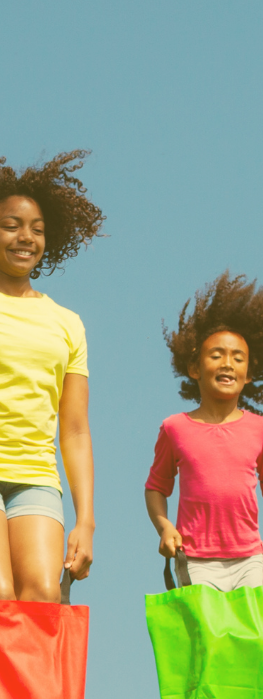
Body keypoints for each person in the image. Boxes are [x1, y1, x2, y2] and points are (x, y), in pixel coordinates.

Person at [144, 272, 263, 591]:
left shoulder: (260, 428)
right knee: (206, 627)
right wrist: (164, 528)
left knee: (248, 626)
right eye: (216, 356)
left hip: (250, 559)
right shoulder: (174, 428)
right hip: (194, 558)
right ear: (194, 369)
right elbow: (156, 487)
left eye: (237, 358)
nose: (227, 363)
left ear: (249, 374)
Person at [0, 151, 103, 601]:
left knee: (43, 595)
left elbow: (75, 429)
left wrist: (86, 521)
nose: (25, 237)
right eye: (11, 225)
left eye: (37, 229)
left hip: (36, 476)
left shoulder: (67, 323)